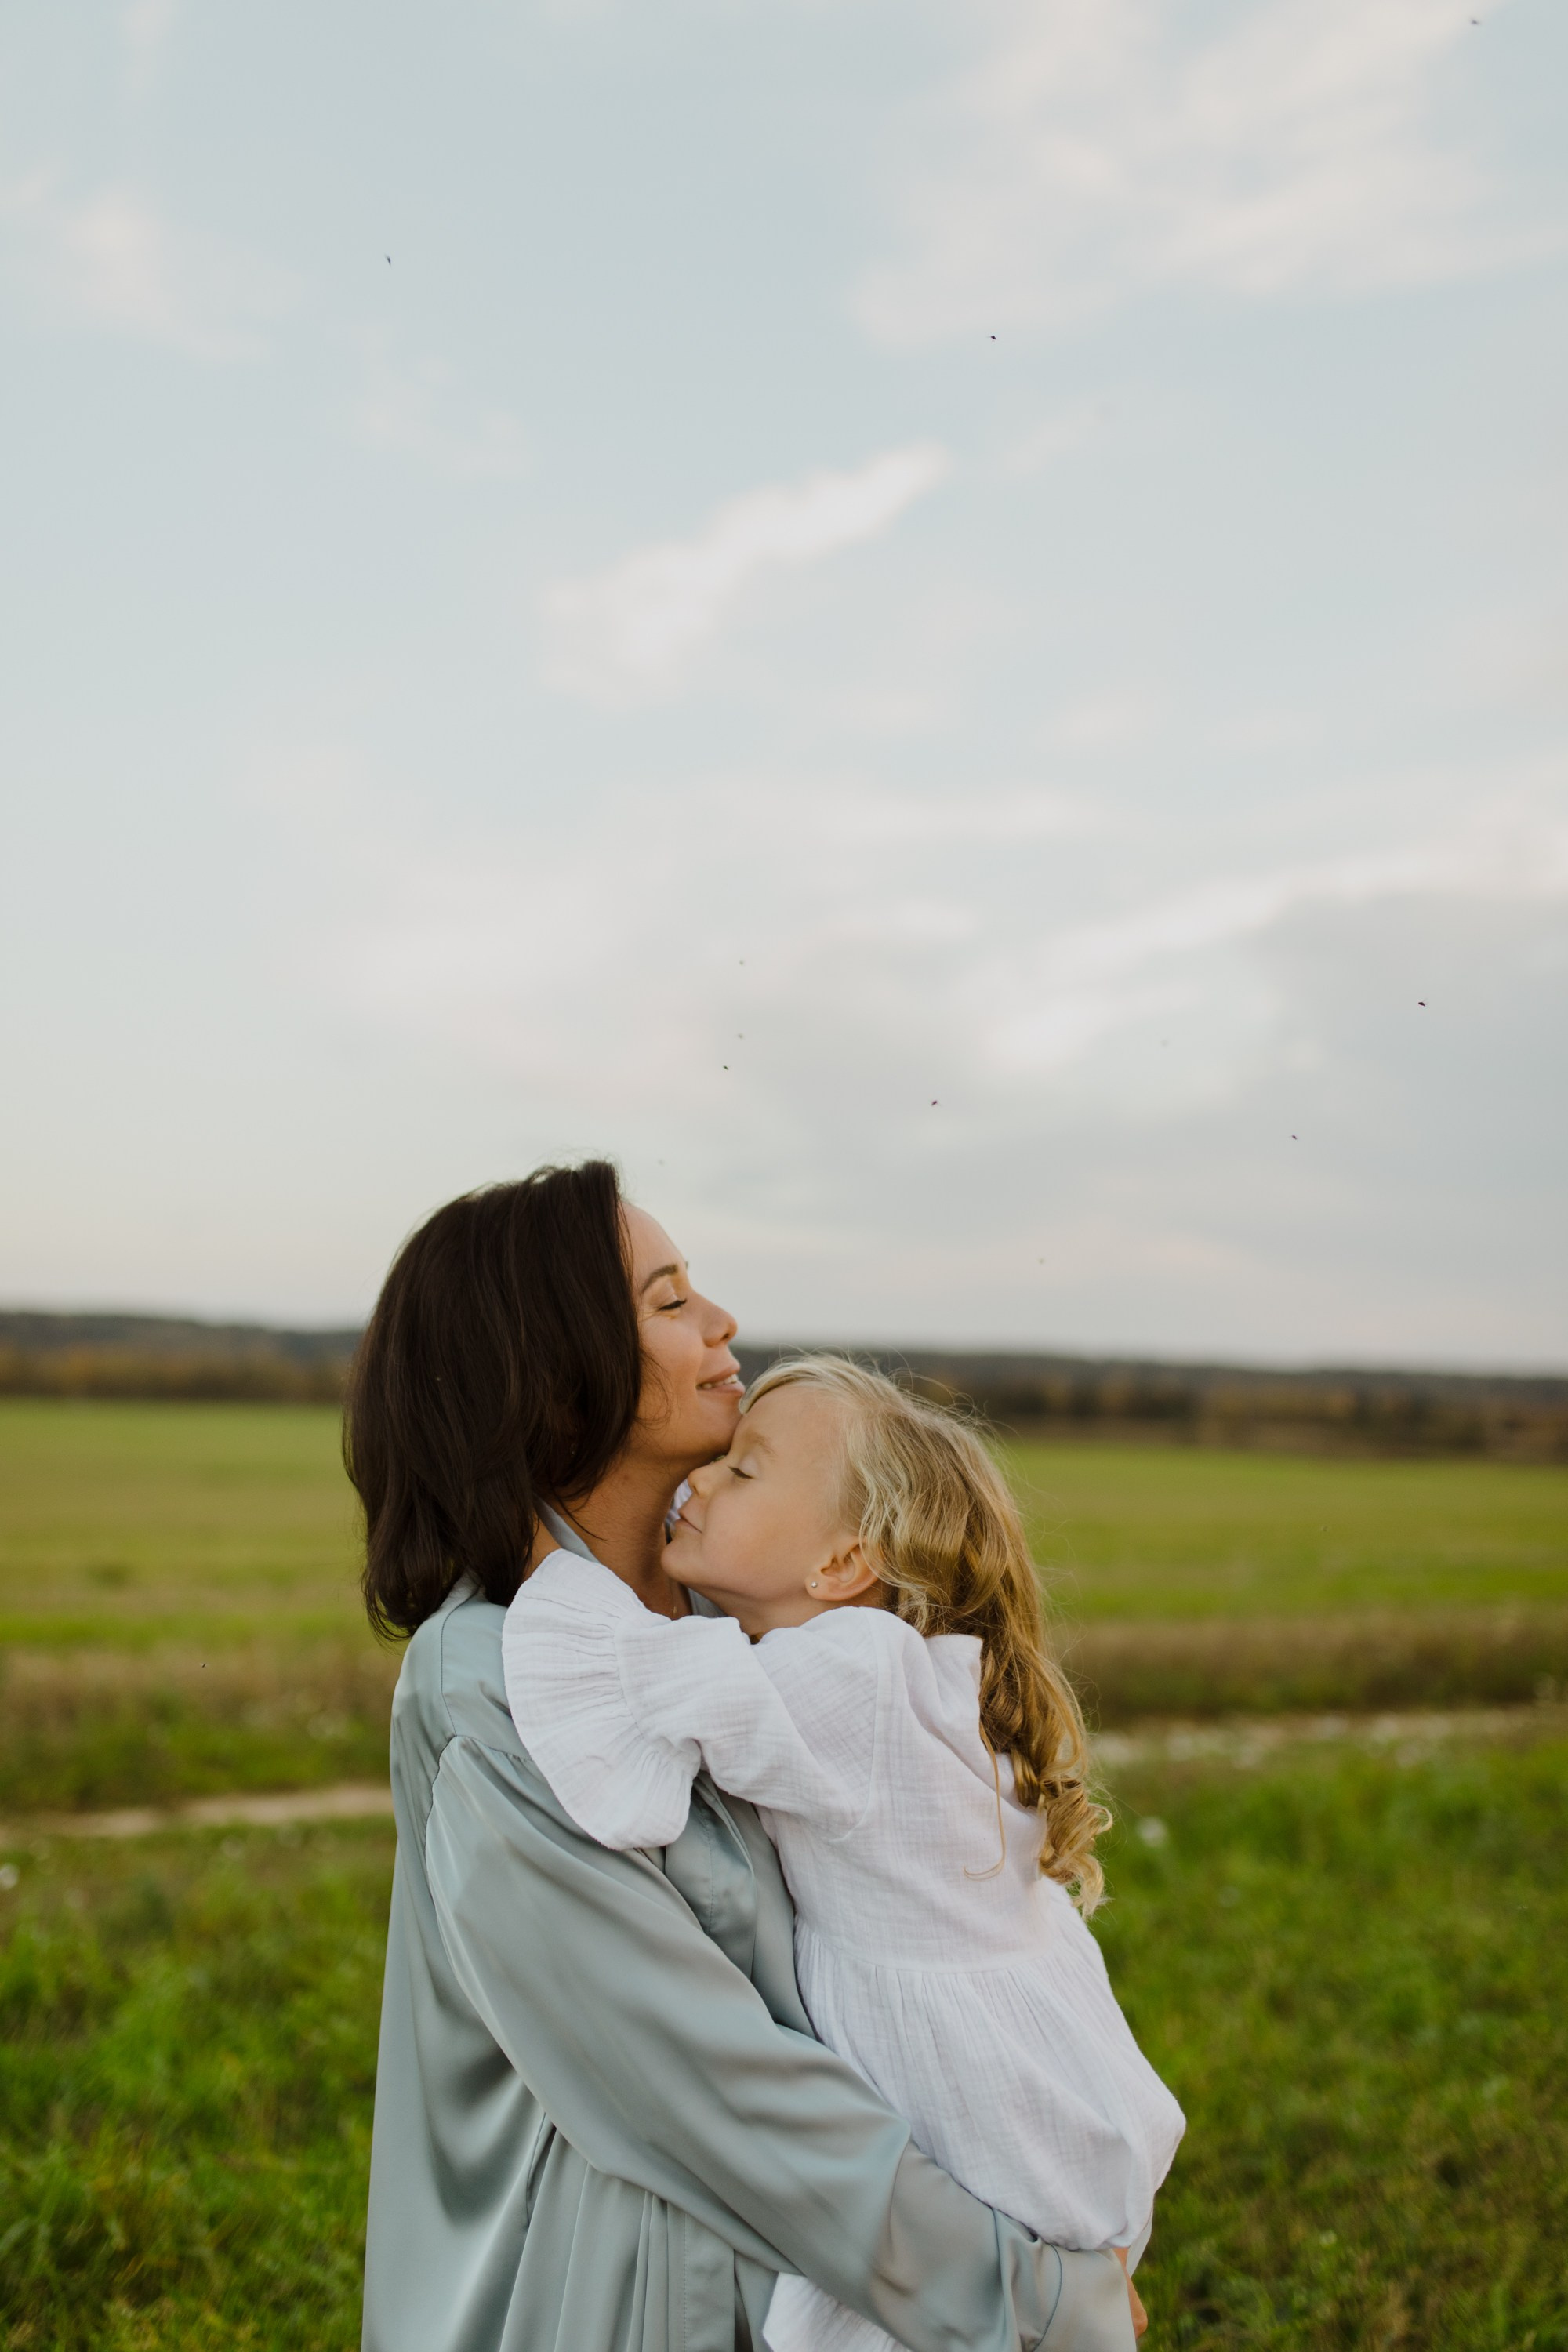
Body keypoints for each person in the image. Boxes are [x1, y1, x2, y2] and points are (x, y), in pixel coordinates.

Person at [348, 1160, 1141, 2352]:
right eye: (669, 1302)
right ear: (559, 1378)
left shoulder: (730, 1624)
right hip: (617, 2305)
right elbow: (711, 2094)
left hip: (811, 2288)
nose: (723, 1324)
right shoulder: (490, 1686)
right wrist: (1035, 2299)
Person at [505, 1355, 1184, 2352]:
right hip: (1027, 2069)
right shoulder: (905, 1668)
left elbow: (646, 1677)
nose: (700, 1482)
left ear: (837, 1565)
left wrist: (530, 1536)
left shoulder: (853, 1672)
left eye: (743, 1472)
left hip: (959, 2099)